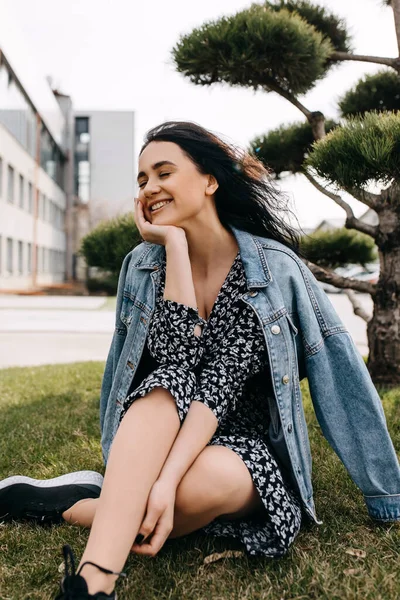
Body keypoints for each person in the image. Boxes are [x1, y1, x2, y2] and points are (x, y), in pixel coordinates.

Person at [1, 121, 399, 600]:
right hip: (162, 424)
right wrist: (173, 246)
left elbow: (295, 379)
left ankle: (74, 504)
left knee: (181, 497)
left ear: (210, 180)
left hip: (242, 451)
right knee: (167, 380)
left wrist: (387, 495)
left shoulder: (274, 269)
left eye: (163, 172)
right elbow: (175, 364)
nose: (150, 188)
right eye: (142, 179)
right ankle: (90, 585)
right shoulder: (144, 263)